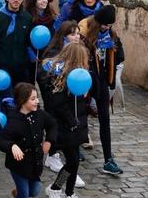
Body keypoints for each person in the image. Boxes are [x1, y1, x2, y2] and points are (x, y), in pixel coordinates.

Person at [40, 44, 90, 198]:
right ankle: (58, 189)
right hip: (66, 127)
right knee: (73, 161)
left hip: (75, 125)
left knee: (73, 162)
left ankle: (67, 192)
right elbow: (58, 103)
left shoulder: (77, 76)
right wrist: (71, 121)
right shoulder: (62, 76)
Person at [81, 5, 125, 176]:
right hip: (85, 81)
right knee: (80, 114)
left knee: (105, 120)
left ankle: (108, 159)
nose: (106, 28)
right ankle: (73, 147)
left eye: (108, 25)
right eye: (103, 25)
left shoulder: (112, 35)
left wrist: (112, 48)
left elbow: (121, 56)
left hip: (102, 82)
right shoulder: (85, 35)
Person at [0, 83, 57, 198]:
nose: (37, 101)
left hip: (35, 162)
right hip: (18, 165)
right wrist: (12, 146)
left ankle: (18, 192)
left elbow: (52, 124)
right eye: (33, 99)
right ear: (22, 100)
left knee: (34, 191)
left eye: (37, 98)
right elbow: (2, 140)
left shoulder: (40, 114)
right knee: (24, 194)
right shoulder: (13, 120)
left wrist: (49, 141)